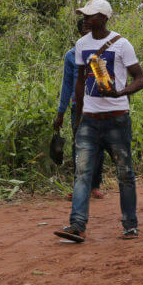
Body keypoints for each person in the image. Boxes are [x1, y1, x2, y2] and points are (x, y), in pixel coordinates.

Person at [54, 0, 143, 243]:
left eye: (91, 15)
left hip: (117, 119)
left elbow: (140, 79)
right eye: (85, 15)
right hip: (90, 121)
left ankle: (130, 224)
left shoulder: (122, 44)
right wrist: (78, 119)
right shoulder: (81, 44)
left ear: (104, 18)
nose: (86, 19)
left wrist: (120, 92)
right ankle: (77, 225)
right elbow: (80, 82)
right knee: (82, 174)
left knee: (124, 173)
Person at [54, 16, 102, 198]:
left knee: (98, 145)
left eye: (91, 28)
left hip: (97, 103)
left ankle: (95, 185)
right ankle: (79, 187)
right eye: (84, 29)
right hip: (78, 105)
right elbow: (66, 85)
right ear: (80, 32)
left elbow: (103, 80)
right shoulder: (71, 55)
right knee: (79, 145)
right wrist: (61, 112)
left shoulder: (99, 53)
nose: (87, 32)